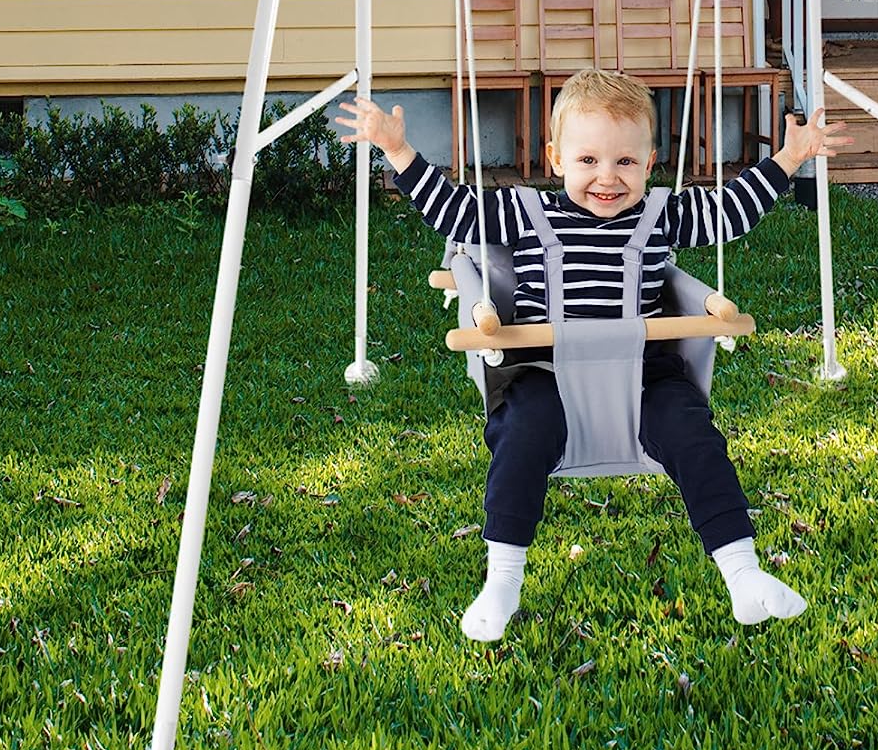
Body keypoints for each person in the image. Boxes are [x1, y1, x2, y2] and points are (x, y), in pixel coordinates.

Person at [335, 68, 850, 642]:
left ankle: (742, 571)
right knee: (523, 432)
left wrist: (790, 157)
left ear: (650, 163)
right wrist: (398, 150)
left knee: (692, 432)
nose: (607, 177)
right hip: (542, 370)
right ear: (556, 159)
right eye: (587, 161)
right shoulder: (526, 213)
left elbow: (729, 211)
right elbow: (456, 212)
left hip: (644, 375)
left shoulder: (662, 216)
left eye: (625, 161)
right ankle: (502, 580)